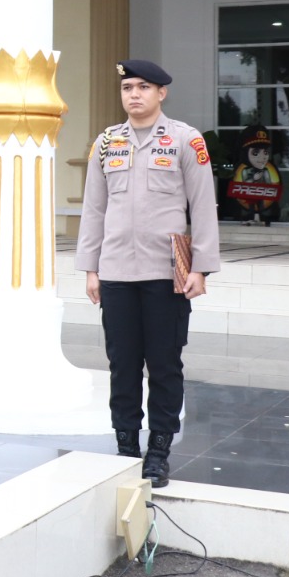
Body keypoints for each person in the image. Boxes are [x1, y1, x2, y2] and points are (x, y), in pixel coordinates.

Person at [77, 59, 221, 489]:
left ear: (162, 93)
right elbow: (94, 208)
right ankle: (125, 447)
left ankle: (158, 451)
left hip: (168, 269)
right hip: (117, 268)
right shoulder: (106, 143)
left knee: (163, 363)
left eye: (143, 87)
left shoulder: (185, 140)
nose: (134, 95)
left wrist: (201, 266)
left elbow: (202, 206)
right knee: (121, 364)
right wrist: (90, 267)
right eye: (127, 88)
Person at [228, 124, 282, 224]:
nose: (262, 157)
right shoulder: (244, 170)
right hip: (249, 199)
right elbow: (243, 184)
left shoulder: (267, 171)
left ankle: (259, 217)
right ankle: (251, 216)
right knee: (251, 204)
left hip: (261, 198)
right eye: (256, 153)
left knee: (260, 204)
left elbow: (269, 184)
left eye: (265, 152)